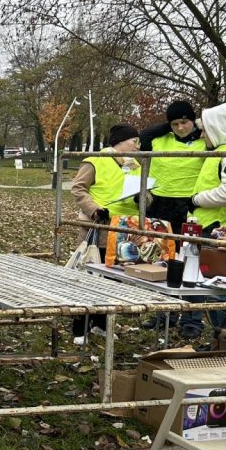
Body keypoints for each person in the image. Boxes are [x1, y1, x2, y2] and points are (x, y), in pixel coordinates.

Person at [179, 101, 226, 338]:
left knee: (219, 288)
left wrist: (197, 199)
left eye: (205, 129)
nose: (201, 135)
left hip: (220, 229)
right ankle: (222, 339)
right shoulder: (224, 152)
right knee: (211, 285)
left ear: (217, 127)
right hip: (211, 227)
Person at [138, 100, 207, 330]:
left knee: (190, 262)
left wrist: (197, 126)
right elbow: (144, 134)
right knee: (160, 259)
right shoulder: (159, 140)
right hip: (160, 205)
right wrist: (168, 124)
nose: (180, 127)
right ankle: (162, 314)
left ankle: (191, 319)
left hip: (189, 208)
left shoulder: (203, 142)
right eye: (175, 123)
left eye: (185, 122)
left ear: (193, 121)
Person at [70, 123, 141, 338]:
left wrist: (142, 198)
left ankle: (101, 323)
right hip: (98, 228)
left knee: (112, 278)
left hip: (123, 229)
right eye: (134, 141)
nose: (138, 146)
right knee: (89, 277)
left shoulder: (135, 165)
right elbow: (78, 187)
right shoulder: (95, 161)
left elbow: (143, 191)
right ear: (120, 142)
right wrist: (94, 210)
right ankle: (79, 328)